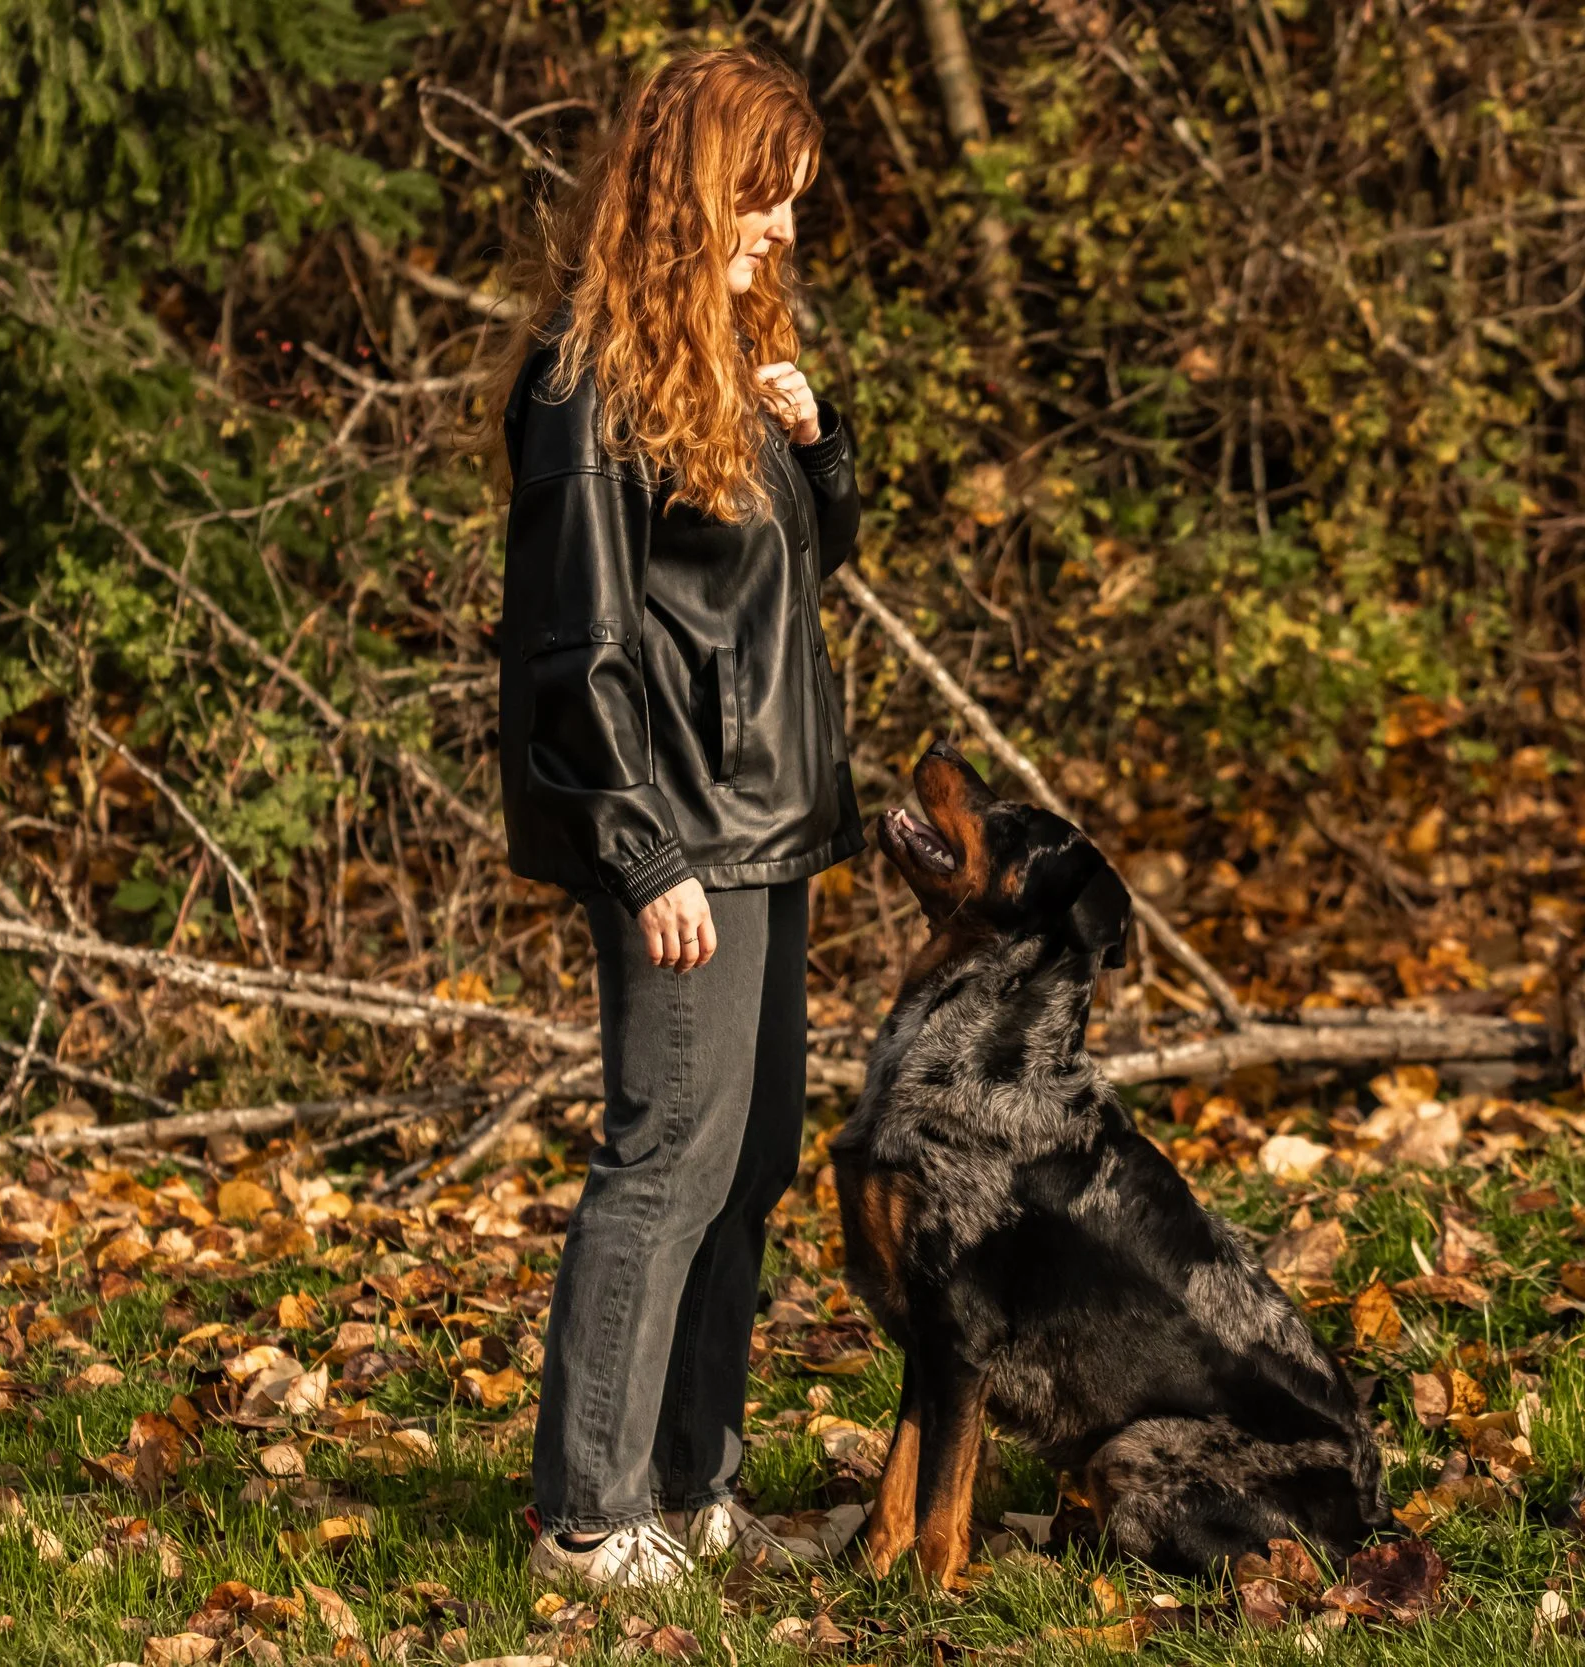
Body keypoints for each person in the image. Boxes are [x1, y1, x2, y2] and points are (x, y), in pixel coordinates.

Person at [485, 47, 862, 1589]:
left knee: (753, 1157)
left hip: (768, 819)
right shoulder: (589, 379)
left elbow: (789, 589)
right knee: (665, 1159)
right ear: (695, 182)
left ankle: (693, 1479)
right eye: (762, 198)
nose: (780, 229)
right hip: (684, 839)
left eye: (790, 205)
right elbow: (574, 649)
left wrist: (817, 441)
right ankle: (588, 1509)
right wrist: (643, 849)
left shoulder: (728, 357)